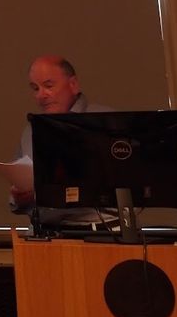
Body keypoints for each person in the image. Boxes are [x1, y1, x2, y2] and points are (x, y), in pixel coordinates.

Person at [9, 55, 113, 225]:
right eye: (35, 88)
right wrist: (21, 197)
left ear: (73, 85)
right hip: (43, 233)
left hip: (100, 231)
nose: (41, 95)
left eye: (48, 86)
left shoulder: (106, 122)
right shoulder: (30, 131)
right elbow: (17, 201)